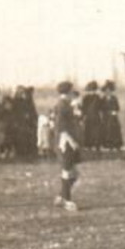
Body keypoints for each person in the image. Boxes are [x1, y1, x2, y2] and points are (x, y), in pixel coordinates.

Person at [53, 80, 82, 211]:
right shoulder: (62, 105)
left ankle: (61, 196)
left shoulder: (66, 105)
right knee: (68, 171)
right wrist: (71, 141)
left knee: (73, 173)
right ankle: (67, 200)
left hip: (67, 141)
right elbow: (61, 127)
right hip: (64, 142)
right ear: (68, 92)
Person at [80, 82, 105, 151]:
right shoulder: (85, 98)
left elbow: (101, 107)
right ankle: (89, 146)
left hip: (96, 116)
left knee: (97, 132)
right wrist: (83, 116)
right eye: (90, 90)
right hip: (88, 117)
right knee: (89, 131)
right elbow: (83, 108)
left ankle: (97, 146)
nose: (92, 92)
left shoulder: (97, 97)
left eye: (93, 90)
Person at [101, 81, 124, 153]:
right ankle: (109, 146)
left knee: (115, 131)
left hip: (113, 118)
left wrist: (114, 111)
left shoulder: (114, 98)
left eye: (109, 90)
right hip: (106, 117)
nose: (107, 92)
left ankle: (117, 146)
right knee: (107, 131)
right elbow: (101, 108)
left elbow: (117, 107)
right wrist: (105, 113)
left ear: (111, 91)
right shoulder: (103, 99)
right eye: (106, 91)